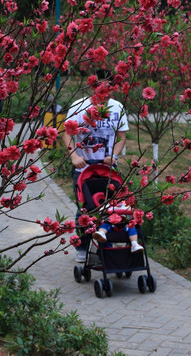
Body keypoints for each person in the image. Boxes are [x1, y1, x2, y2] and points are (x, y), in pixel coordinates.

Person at [63, 69, 129, 262]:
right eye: (100, 86)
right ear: (93, 86)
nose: (104, 90)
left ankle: (105, 247)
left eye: (109, 86)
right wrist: (74, 156)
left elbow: (122, 137)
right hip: (83, 166)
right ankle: (82, 247)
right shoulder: (79, 106)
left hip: (107, 166)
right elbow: (66, 134)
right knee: (84, 208)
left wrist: (114, 156)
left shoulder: (118, 108)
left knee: (109, 207)